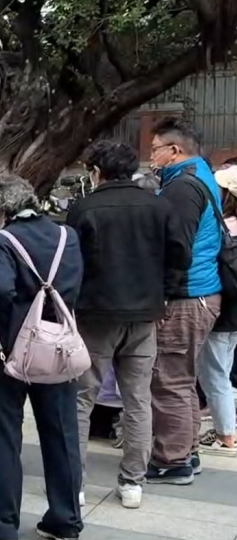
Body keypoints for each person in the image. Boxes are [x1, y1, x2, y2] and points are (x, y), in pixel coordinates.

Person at [67, 140, 187, 509]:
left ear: (97, 171)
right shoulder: (158, 206)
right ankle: (133, 481)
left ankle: (74, 483)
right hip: (145, 314)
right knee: (138, 399)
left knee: (81, 399)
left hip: (95, 315)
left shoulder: (84, 208)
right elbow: (179, 255)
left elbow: (71, 261)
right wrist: (164, 294)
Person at [0, 175, 84, 540]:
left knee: (4, 437)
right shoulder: (67, 236)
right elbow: (74, 287)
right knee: (62, 435)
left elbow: (0, 292)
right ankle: (65, 520)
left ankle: (2, 525)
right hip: (58, 348)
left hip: (8, 353)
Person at [148, 117, 223, 484]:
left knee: (169, 379)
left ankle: (171, 460)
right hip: (201, 294)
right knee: (182, 378)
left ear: (174, 150)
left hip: (186, 297)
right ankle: (186, 451)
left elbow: (177, 249)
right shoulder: (201, 176)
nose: (151, 158)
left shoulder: (181, 188)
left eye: (155, 150)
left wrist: (165, 295)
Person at [196, 165, 237, 457]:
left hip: (222, 310)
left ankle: (226, 435)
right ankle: (229, 427)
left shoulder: (225, 227)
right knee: (224, 370)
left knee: (215, 374)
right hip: (234, 313)